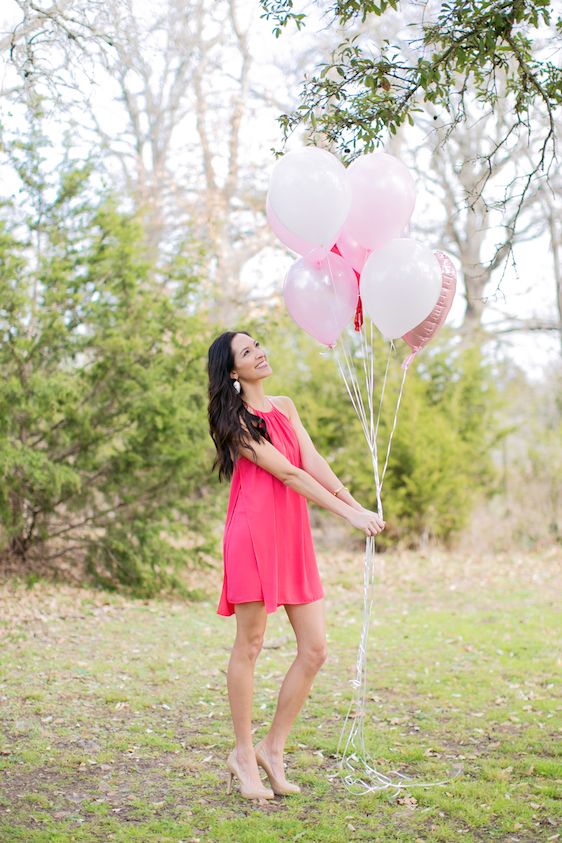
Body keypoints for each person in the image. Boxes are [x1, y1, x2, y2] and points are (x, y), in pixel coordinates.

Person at [207, 330, 385, 802]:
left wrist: (354, 502)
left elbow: (310, 459)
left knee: (316, 649)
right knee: (251, 643)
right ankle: (243, 753)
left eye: (259, 345)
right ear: (232, 371)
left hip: (291, 534)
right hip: (252, 534)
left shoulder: (284, 405)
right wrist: (346, 515)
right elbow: (285, 472)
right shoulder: (234, 420)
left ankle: (273, 748)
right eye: (247, 352)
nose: (260, 353)